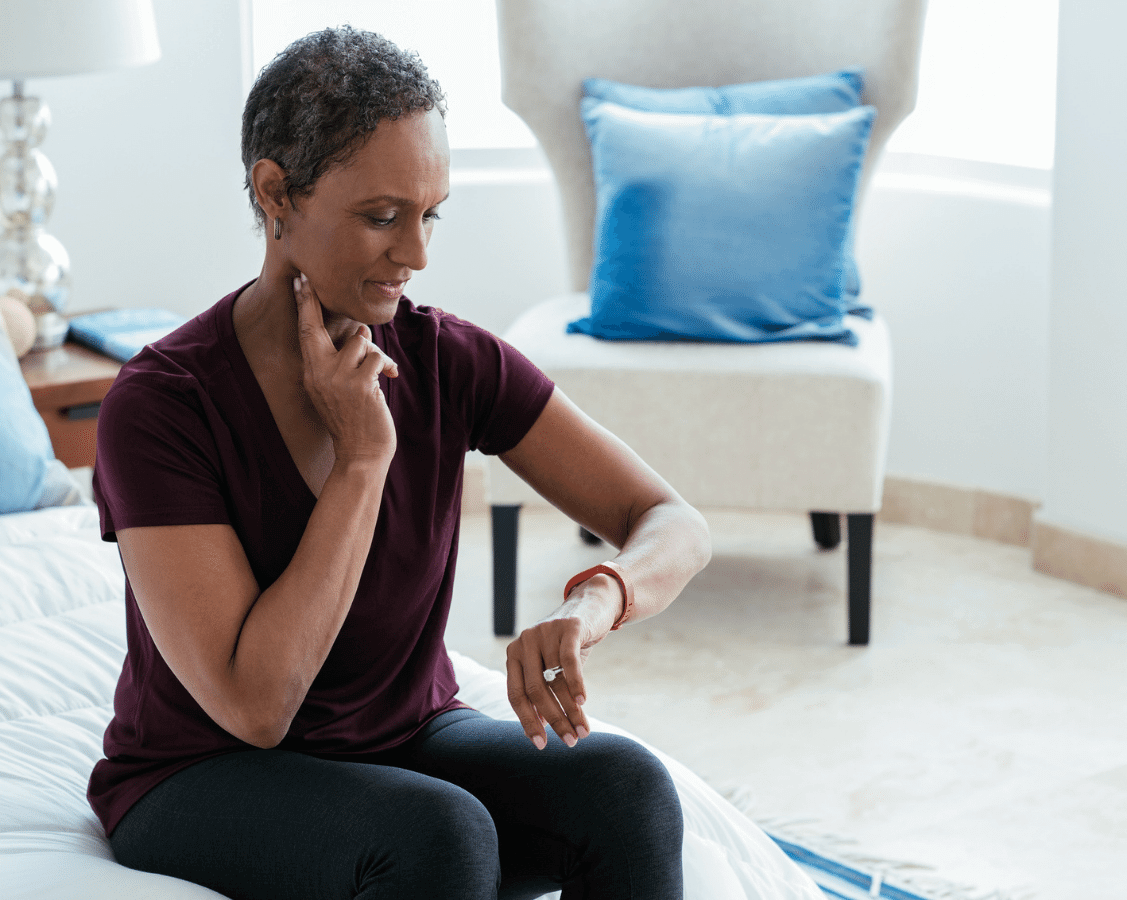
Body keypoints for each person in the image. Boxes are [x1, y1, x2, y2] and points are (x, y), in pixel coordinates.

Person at [87, 25, 711, 900]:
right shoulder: (162, 405)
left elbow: (673, 523)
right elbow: (256, 705)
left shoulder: (446, 358)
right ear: (276, 194)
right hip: (201, 774)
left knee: (626, 788)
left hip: (404, 739)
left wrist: (594, 599)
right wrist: (363, 458)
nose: (416, 256)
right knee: (440, 836)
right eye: (382, 217)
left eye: (430, 215)